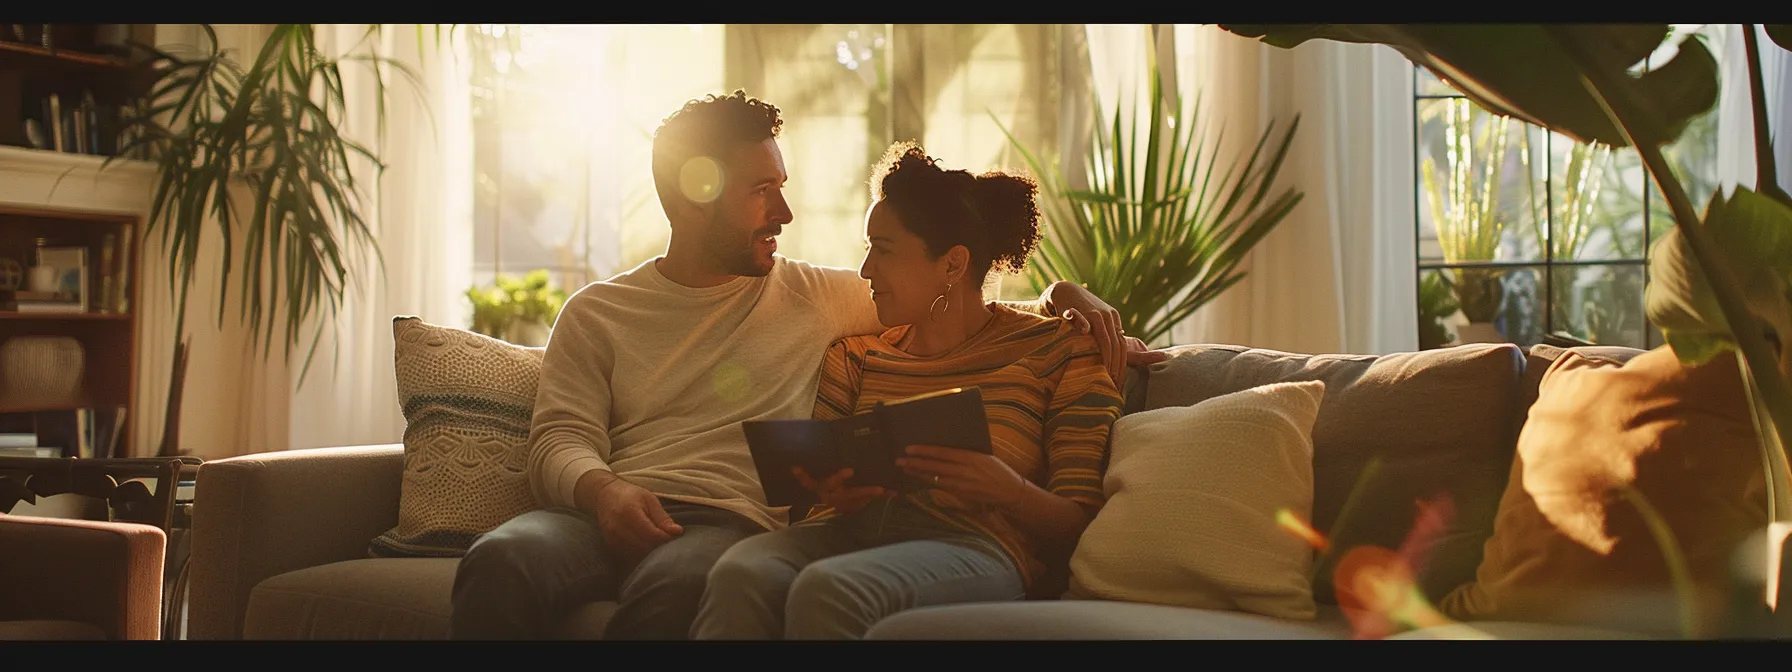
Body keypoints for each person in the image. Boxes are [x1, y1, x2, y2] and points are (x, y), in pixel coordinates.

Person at [448, 90, 1164, 640]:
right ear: (696, 194)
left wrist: (1067, 296)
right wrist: (603, 493)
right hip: (604, 508)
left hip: (724, 520)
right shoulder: (598, 311)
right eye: (762, 191)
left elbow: (954, 290)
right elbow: (556, 439)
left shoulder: (820, 297)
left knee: (685, 583)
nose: (784, 212)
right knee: (502, 558)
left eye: (780, 186)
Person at [688, 141, 1125, 640]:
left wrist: (1009, 490)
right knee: (738, 572)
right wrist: (829, 491)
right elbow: (809, 500)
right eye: (867, 248)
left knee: (831, 589)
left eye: (884, 250)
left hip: (975, 545)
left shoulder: (1059, 351)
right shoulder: (855, 356)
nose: (866, 270)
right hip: (843, 531)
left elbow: (1080, 524)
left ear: (953, 265)